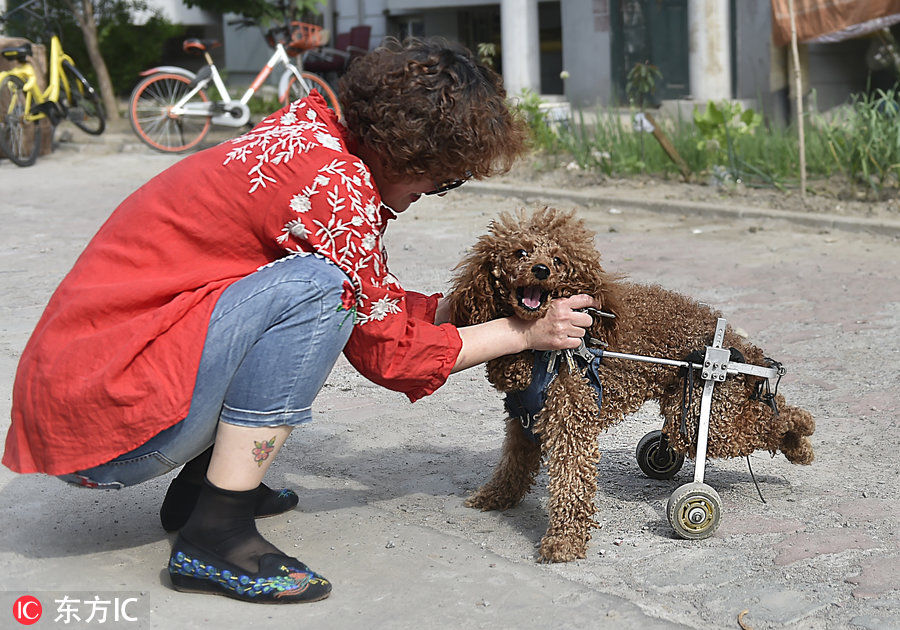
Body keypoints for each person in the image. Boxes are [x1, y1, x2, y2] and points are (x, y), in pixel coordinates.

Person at [2, 37, 597, 604]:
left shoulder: (311, 137)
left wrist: (465, 307)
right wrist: (521, 333)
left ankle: (196, 493)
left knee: (316, 285)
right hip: (108, 434)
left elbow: (376, 301)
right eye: (444, 178)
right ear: (411, 150)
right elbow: (389, 353)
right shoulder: (334, 190)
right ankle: (217, 533)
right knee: (317, 290)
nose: (438, 191)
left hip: (87, 390)